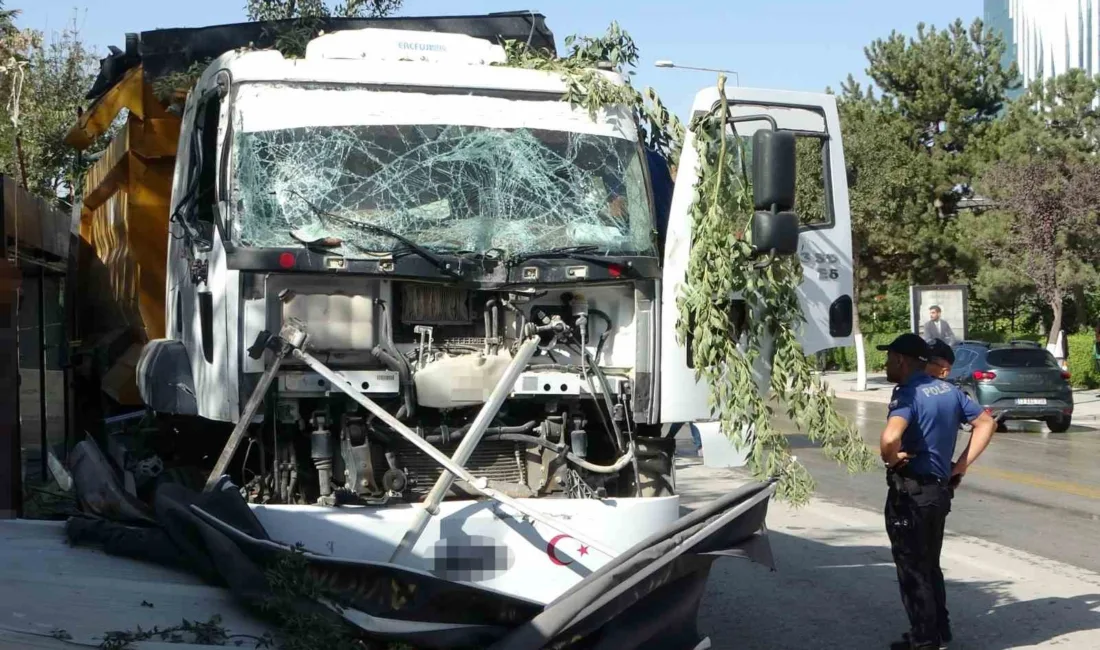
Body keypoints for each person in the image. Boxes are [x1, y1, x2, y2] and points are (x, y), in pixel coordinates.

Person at [876, 333, 996, 650]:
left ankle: (924, 641)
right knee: (929, 564)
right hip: (939, 493)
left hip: (911, 494)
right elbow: (987, 423)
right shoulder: (950, 392)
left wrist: (890, 458)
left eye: (889, 358)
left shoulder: (907, 394)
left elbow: (890, 438)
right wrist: (960, 466)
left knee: (912, 568)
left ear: (901, 360)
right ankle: (939, 630)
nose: (886, 364)